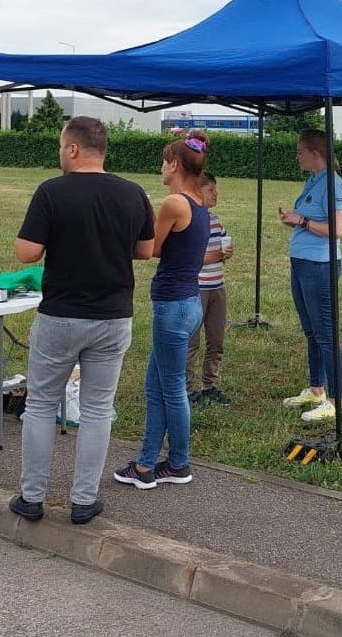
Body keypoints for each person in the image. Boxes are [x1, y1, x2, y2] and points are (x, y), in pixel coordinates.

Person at [8, 116, 154, 526]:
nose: (60, 154)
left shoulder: (51, 192)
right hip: (112, 316)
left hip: (61, 315)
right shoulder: (133, 193)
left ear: (73, 149)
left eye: (60, 147)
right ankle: (84, 500)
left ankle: (32, 497)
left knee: (39, 405)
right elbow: (146, 250)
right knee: (96, 409)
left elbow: (26, 254)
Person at [114, 131, 209, 489]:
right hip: (187, 302)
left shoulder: (175, 203)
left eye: (163, 160)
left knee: (172, 389)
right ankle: (144, 466)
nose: (160, 167)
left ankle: (179, 464)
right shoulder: (198, 203)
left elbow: (152, 248)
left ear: (174, 165)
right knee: (155, 387)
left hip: (172, 306)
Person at [278, 128, 342, 423]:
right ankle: (316, 389)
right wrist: (294, 221)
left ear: (315, 154)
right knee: (311, 330)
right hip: (303, 262)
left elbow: (336, 230)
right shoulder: (314, 181)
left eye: (300, 151)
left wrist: (301, 220)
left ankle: (336, 401)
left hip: (320, 265)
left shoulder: (333, 184)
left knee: (326, 333)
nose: (297, 157)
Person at [186, 172, 234, 407]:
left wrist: (225, 254)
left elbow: (221, 250)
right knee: (191, 341)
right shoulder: (192, 221)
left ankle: (210, 385)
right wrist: (217, 255)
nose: (215, 194)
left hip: (217, 287)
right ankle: (187, 389)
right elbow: (191, 258)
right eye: (210, 190)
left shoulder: (216, 221)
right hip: (198, 288)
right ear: (197, 192)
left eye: (216, 190)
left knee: (216, 340)